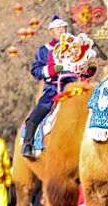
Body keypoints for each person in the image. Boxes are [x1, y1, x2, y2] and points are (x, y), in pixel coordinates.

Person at [21, 17, 76, 158]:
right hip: (54, 88)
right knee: (38, 112)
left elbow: (87, 65)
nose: (61, 31)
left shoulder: (77, 48)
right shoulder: (44, 50)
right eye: (58, 29)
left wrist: (90, 68)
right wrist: (52, 70)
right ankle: (28, 143)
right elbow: (36, 71)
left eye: (63, 28)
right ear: (51, 32)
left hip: (76, 86)